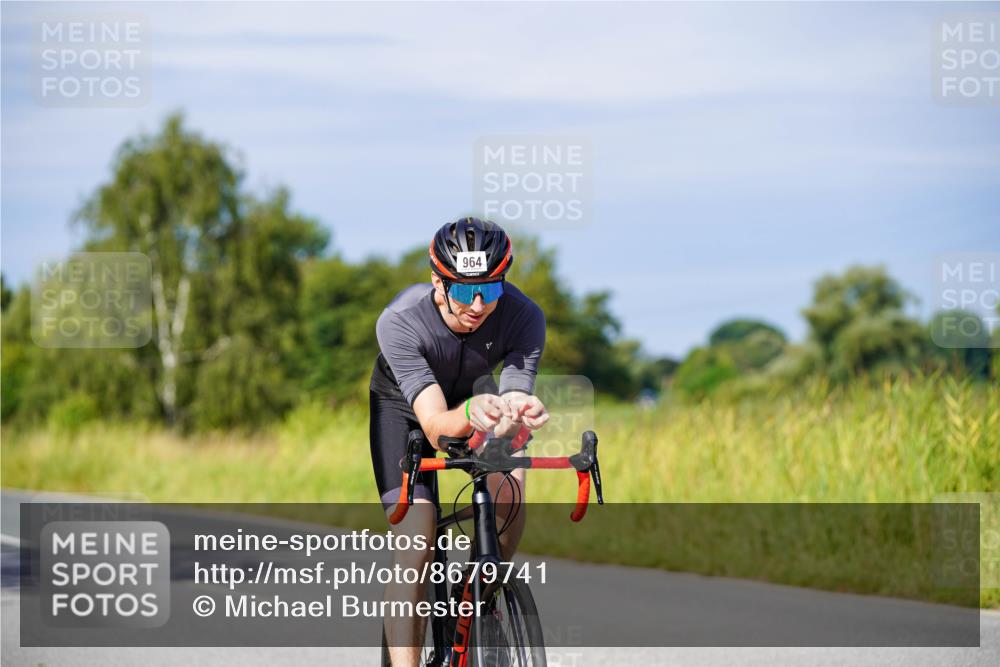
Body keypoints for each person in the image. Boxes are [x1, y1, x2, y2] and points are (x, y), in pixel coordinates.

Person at [369, 216, 549, 666]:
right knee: (416, 537)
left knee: (509, 497)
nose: (477, 304)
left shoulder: (524, 316)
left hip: (475, 399)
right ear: (438, 281)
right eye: (464, 290)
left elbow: (511, 401)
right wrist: (471, 414)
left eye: (489, 290)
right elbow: (435, 425)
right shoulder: (400, 321)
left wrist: (516, 415)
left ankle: (484, 606)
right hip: (407, 410)